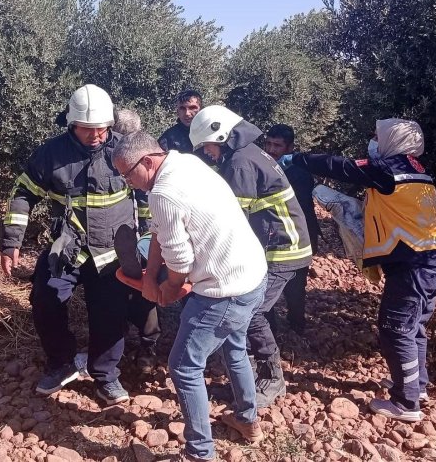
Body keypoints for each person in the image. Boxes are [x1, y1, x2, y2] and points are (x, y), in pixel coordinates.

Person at [281, 118, 436, 422]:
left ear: (393, 141)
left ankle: (405, 403)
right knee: (414, 328)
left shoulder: (390, 169)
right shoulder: (416, 169)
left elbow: (341, 166)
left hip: (413, 265)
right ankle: (417, 385)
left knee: (396, 329)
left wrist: (299, 159)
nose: (373, 141)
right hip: (432, 262)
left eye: (377, 136)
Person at [113, 131, 268, 462]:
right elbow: (161, 233)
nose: (129, 183)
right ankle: (247, 420)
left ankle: (200, 454)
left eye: (128, 174)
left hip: (223, 290)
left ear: (148, 161)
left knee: (183, 367)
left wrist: (166, 289)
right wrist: (151, 277)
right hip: (252, 275)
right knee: (235, 347)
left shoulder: (163, 193)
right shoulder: (186, 164)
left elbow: (180, 261)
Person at [1, 84, 134, 405]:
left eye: (102, 129)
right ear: (71, 124)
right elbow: (22, 194)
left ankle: (106, 376)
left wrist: (143, 242)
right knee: (45, 298)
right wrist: (10, 242)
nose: (96, 136)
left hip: (112, 247)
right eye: (88, 130)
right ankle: (61, 363)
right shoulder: (50, 154)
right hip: (66, 243)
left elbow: (145, 195)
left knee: (110, 312)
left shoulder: (124, 151)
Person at [189, 106, 313, 406]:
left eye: (208, 145)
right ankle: (251, 376)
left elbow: (233, 219)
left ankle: (272, 377)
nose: (208, 152)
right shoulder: (246, 154)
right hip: (277, 245)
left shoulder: (241, 162)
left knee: (252, 311)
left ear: (221, 136)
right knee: (248, 311)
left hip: (283, 248)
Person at [112, 106, 160, 372]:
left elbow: (147, 200)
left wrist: (144, 233)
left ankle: (147, 347)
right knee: (120, 290)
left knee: (144, 291)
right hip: (114, 236)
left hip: (138, 237)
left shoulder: (143, 157)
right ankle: (121, 342)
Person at [264, 124, 321, 333]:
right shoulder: (264, 166)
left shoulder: (299, 173)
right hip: (273, 237)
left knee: (296, 288)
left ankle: (297, 326)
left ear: (289, 148)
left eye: (277, 145)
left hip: (299, 237)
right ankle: (269, 329)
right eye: (268, 143)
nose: (271, 149)